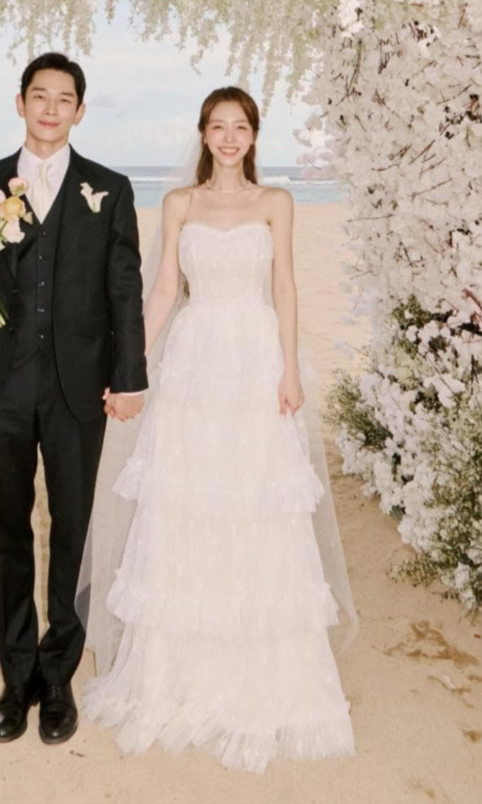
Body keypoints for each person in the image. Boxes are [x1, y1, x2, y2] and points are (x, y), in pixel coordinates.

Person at [78, 86, 357, 773]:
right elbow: (163, 292)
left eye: (241, 128)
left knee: (256, 503)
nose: (229, 138)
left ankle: (263, 675)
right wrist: (130, 369)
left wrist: (289, 368)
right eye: (218, 127)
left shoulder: (276, 202)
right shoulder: (179, 203)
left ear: (253, 137)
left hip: (256, 361)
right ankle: (177, 675)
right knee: (188, 504)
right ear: (203, 135)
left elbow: (285, 287)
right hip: (195, 362)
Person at [0, 53, 148, 745]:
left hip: (76, 389)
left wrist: (129, 376)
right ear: (21, 103)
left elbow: (124, 289)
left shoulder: (109, 190)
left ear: (80, 111)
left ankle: (58, 677)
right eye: (40, 95)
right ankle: (17, 677)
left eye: (65, 99)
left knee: (72, 529)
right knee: (6, 531)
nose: (51, 108)